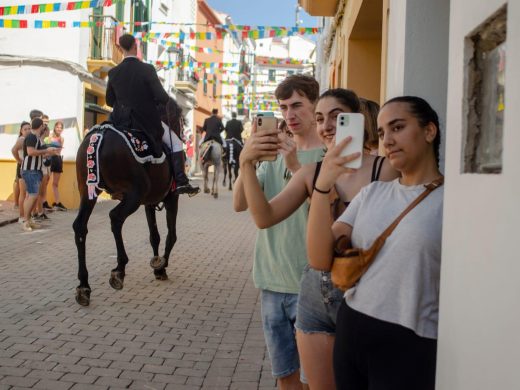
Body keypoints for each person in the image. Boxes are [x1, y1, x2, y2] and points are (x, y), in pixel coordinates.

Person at [238, 88, 398, 389]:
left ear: (358, 119)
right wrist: (246, 164)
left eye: (337, 118)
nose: (326, 126)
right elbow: (264, 217)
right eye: (321, 118)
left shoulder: (385, 170)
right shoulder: (311, 173)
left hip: (365, 293)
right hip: (314, 292)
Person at [307, 96, 443, 389]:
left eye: (397, 128)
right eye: (382, 133)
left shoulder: (452, 200)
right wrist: (322, 186)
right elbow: (319, 259)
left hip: (411, 340)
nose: (388, 140)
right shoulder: (373, 193)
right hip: (353, 326)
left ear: (429, 131)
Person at [234, 74, 323, 389]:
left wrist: (295, 163)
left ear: (315, 106)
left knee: (314, 377)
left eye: (297, 105)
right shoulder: (268, 159)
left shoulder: (328, 156)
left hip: (311, 285)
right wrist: (249, 157)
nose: (289, 115)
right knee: (284, 375)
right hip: (271, 281)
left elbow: (329, 213)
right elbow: (238, 204)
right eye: (284, 107)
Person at [106, 33, 169, 156]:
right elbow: (163, 98)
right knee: (176, 144)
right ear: (136, 46)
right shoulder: (148, 69)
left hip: (119, 123)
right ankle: (180, 175)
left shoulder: (113, 72)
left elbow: (109, 101)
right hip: (146, 124)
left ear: (120, 49)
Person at [21, 118, 60, 232]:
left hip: (34, 170)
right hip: (30, 170)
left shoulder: (35, 137)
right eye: (44, 125)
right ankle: (25, 221)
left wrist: (49, 152)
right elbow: (31, 152)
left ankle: (29, 220)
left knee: (31, 196)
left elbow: (35, 154)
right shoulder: (32, 137)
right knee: (32, 196)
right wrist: (46, 150)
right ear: (41, 126)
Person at [159, 98, 200, 196]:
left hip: (124, 118)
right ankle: (181, 182)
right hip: (147, 118)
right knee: (177, 144)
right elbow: (161, 96)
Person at [11, 121, 31, 223]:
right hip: (23, 168)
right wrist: (19, 161)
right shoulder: (22, 139)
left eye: (29, 128)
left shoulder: (28, 139)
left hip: (28, 168)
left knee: (28, 193)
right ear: (21, 131)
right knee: (23, 193)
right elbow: (13, 150)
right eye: (25, 129)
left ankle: (26, 216)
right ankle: (21, 217)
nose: (27, 130)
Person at [46, 120, 67, 210]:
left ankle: (57, 203)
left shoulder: (62, 139)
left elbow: (58, 150)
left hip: (58, 160)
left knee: (55, 184)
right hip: (50, 159)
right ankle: (43, 202)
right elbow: (47, 148)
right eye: (57, 127)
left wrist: (55, 149)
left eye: (61, 128)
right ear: (54, 127)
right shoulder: (50, 136)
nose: (59, 129)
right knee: (45, 182)